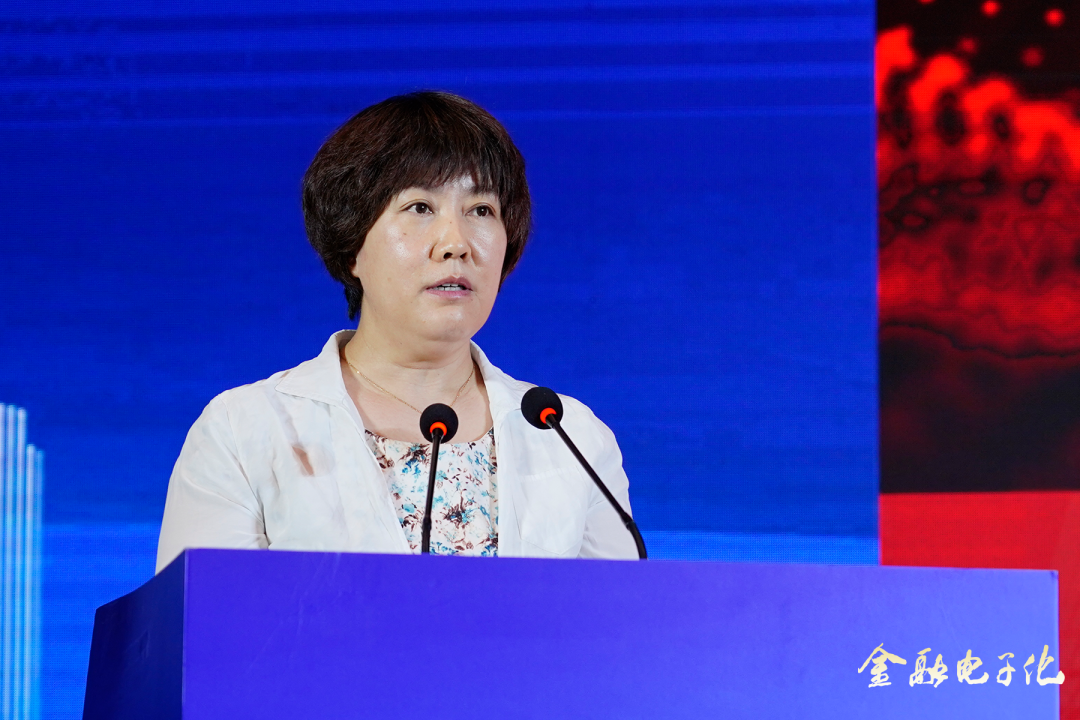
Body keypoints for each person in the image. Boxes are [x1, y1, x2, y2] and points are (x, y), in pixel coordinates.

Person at [155, 91, 637, 573]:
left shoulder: (570, 437)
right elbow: (201, 617)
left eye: (481, 210)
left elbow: (621, 616)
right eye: (420, 207)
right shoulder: (246, 431)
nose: (456, 244)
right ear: (352, 246)